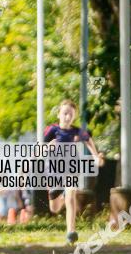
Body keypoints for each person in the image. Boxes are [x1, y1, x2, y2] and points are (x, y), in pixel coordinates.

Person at [44, 99, 104, 245]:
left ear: (74, 116)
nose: (67, 117)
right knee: (55, 208)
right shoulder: (52, 130)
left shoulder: (77, 131)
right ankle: (59, 195)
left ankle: (71, 232)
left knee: (71, 195)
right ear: (59, 114)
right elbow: (40, 148)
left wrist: (96, 156)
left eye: (71, 114)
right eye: (65, 113)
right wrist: (48, 148)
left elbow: (88, 140)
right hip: (53, 170)